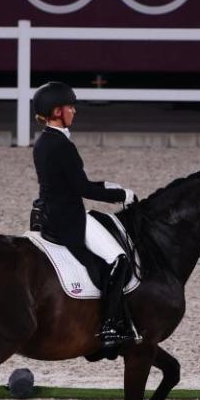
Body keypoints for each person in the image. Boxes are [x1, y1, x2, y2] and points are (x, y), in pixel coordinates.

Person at [31, 81, 137, 347]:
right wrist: (121, 195)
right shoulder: (62, 146)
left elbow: (70, 182)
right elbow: (82, 188)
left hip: (49, 212)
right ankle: (111, 325)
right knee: (119, 259)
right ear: (57, 112)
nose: (74, 111)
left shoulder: (44, 140)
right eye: (70, 107)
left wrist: (107, 185)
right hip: (68, 218)